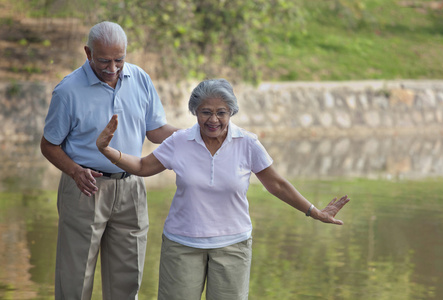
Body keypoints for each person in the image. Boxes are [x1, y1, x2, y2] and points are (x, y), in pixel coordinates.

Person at [96, 78, 350, 300]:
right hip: (182, 244)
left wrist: (314, 211)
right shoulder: (180, 141)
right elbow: (141, 166)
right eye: (205, 112)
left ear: (232, 112)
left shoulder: (247, 143)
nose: (213, 120)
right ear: (195, 112)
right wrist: (108, 151)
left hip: (233, 245)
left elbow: (277, 185)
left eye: (221, 112)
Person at [40, 21, 177, 300]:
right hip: (85, 187)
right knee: (75, 279)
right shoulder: (67, 91)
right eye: (104, 60)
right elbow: (49, 145)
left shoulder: (140, 79)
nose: (112, 68)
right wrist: (75, 171)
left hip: (131, 188)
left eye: (119, 60)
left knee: (128, 281)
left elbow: (155, 130)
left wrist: (192, 134)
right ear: (88, 52)